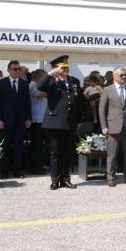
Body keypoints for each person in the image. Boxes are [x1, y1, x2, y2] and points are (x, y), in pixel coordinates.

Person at [37, 55, 81, 190]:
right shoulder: (52, 81)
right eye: (63, 67)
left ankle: (66, 179)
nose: (66, 69)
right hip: (55, 122)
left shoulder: (74, 81)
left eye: (67, 66)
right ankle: (55, 180)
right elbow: (40, 86)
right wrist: (51, 73)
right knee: (56, 153)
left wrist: (79, 119)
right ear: (56, 67)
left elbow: (78, 102)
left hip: (70, 121)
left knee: (67, 152)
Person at [99, 67, 126, 186]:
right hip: (113, 126)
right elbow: (102, 109)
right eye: (121, 75)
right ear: (114, 76)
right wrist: (104, 126)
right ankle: (110, 177)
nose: (124, 77)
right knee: (112, 154)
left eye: (125, 75)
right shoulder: (107, 90)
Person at [0, 60, 32, 178]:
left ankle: (17, 171)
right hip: (5, 121)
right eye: (15, 69)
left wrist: (28, 118)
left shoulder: (24, 84)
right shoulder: (2, 83)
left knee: (18, 147)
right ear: (9, 70)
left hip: (20, 121)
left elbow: (27, 103)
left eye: (19, 69)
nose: (17, 71)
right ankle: (4, 172)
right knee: (4, 147)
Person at [28, 69, 48, 174]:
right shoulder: (32, 86)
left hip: (42, 120)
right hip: (36, 121)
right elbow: (40, 95)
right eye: (43, 77)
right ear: (36, 77)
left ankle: (41, 164)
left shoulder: (40, 86)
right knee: (37, 145)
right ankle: (35, 167)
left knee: (41, 145)